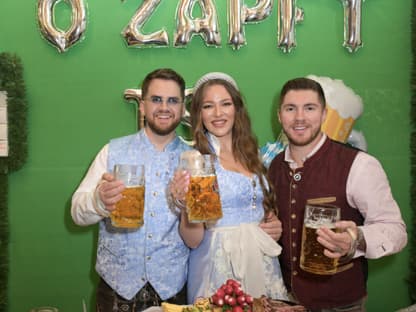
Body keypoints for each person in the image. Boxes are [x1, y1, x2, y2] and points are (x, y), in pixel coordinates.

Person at [268, 77, 408, 311]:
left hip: (339, 305)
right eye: (290, 109)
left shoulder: (359, 164)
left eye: (309, 108)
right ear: (280, 115)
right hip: (287, 302)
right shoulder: (274, 166)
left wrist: (355, 239)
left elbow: (396, 230)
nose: (299, 117)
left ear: (324, 114)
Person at [71, 68, 192, 311]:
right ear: (142, 106)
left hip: (172, 293)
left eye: (172, 101)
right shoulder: (111, 151)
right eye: (156, 99)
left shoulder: (194, 159)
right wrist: (99, 202)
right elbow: (76, 212)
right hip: (115, 293)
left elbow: (206, 229)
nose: (164, 107)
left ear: (182, 107)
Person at [171, 72, 288, 304]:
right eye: (208, 106)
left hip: (261, 262)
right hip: (217, 268)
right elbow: (193, 240)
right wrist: (186, 207)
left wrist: (274, 225)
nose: (218, 113)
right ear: (199, 114)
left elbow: (260, 211)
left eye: (225, 103)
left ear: (237, 108)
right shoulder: (196, 161)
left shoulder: (252, 154)